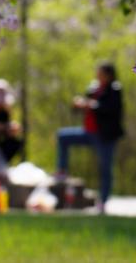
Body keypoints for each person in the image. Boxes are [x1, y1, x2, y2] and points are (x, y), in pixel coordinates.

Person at [55, 61, 124, 212]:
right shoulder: (93, 88)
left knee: (105, 169)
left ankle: (103, 202)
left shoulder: (115, 90)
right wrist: (78, 104)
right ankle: (62, 170)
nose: (98, 76)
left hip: (104, 136)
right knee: (62, 136)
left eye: (101, 73)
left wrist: (90, 105)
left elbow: (111, 109)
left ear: (109, 75)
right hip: (88, 132)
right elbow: (83, 107)